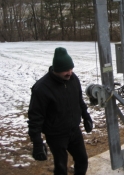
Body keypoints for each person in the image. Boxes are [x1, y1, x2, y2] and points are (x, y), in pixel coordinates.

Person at [28, 47, 93, 175]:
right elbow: (35, 118)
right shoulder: (42, 88)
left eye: (71, 68)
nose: (69, 73)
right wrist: (37, 143)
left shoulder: (73, 79)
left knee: (82, 161)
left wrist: (86, 117)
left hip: (74, 131)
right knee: (61, 167)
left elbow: (79, 100)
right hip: (56, 135)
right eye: (65, 70)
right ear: (56, 70)